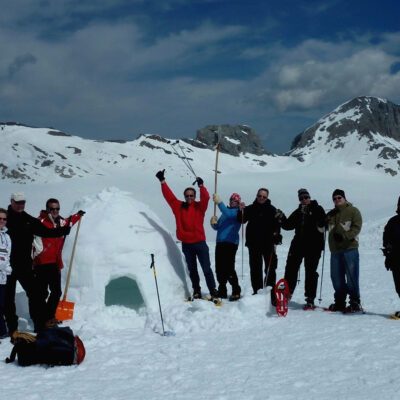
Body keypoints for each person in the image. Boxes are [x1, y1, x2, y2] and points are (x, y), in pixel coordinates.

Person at [5, 192, 71, 338]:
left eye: (23, 202)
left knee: (37, 294)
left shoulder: (28, 220)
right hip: (6, 267)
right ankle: (12, 328)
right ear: (11, 201)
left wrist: (62, 231)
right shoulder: (4, 219)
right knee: (8, 298)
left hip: (25, 266)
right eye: (18, 202)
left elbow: (46, 232)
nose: (21, 204)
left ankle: (39, 324)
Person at [156, 169, 218, 299]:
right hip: (187, 245)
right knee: (193, 270)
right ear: (184, 197)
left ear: (195, 197)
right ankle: (197, 291)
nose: (189, 197)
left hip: (200, 243)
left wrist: (201, 186)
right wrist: (162, 182)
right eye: (187, 195)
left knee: (206, 268)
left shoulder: (199, 207)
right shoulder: (178, 207)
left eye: (191, 195)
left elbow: (206, 198)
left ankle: (213, 290)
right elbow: (169, 196)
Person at [32, 198, 84, 328]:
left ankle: (49, 317)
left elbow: (69, 222)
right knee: (42, 294)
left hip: (55, 263)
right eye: (52, 209)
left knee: (56, 292)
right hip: (41, 263)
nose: (55, 211)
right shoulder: (40, 222)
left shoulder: (61, 222)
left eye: (57, 208)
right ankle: (40, 320)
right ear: (47, 209)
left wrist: (78, 215)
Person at [281, 188, 326, 309]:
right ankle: (287, 294)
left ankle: (310, 299)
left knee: (311, 271)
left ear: (309, 197)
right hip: (298, 245)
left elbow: (323, 222)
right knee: (291, 268)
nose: (304, 200)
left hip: (314, 246)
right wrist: (281, 217)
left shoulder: (318, 209)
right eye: (301, 198)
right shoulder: (298, 211)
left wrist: (315, 217)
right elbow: (288, 225)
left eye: (306, 197)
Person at [239, 188, 283, 303]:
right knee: (255, 269)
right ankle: (257, 292)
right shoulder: (250, 208)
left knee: (270, 269)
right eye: (259, 196)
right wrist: (241, 210)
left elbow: (277, 225)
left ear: (267, 198)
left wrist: (277, 234)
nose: (261, 198)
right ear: (256, 196)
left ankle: (270, 293)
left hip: (268, 244)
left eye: (264, 196)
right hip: (253, 244)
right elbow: (241, 220)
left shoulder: (272, 210)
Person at [326, 189, 362, 312]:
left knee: (352, 275)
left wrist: (344, 236)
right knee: (336, 277)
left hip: (349, 248)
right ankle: (340, 302)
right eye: (334, 198)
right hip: (335, 250)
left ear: (344, 198)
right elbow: (322, 229)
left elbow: (357, 227)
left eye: (339, 197)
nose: (337, 200)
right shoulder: (331, 214)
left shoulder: (353, 211)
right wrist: (320, 223)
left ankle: (354, 302)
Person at [210, 193, 242, 301]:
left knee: (228, 267)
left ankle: (236, 290)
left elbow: (228, 214)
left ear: (238, 203)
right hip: (220, 242)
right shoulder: (224, 213)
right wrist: (214, 224)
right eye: (231, 200)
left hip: (231, 242)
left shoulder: (237, 213)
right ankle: (222, 290)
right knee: (219, 267)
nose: (233, 202)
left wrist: (219, 202)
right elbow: (218, 227)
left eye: (235, 201)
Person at [382, 196, 400, 317]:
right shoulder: (393, 221)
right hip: (396, 259)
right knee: (399, 286)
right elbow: (386, 238)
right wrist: (387, 249)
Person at [0, 208, 12, 340]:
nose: (2, 221)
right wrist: (4, 265)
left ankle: (2, 331)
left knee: (1, 305)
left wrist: (7, 267)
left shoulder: (7, 237)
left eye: (4, 219)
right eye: (0, 219)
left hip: (2, 277)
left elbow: (6, 255)